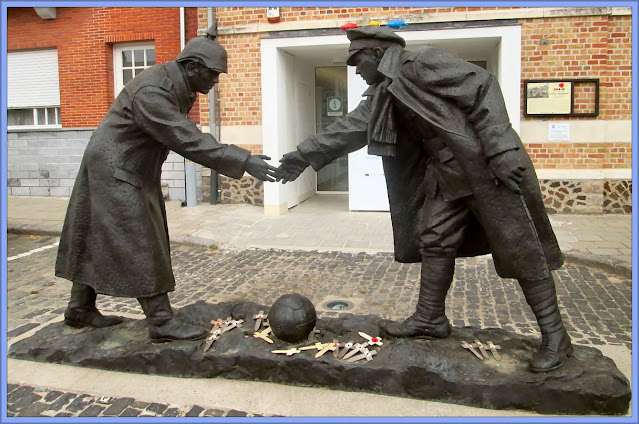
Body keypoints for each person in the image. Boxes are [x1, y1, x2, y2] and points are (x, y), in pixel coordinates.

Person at [277, 25, 572, 372]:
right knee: (434, 237)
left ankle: (556, 337)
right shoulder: (384, 91)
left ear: (376, 53)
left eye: (358, 60)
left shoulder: (421, 63)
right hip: (447, 176)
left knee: (520, 247)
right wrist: (302, 156)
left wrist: (502, 147)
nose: (356, 70)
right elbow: (352, 127)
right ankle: (430, 318)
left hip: (486, 169)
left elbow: (483, 86)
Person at [55, 26, 279, 342]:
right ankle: (160, 321)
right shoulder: (153, 92)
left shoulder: (176, 85)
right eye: (213, 74)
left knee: (97, 234)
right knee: (140, 238)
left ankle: (79, 307)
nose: (216, 82)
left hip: (131, 169)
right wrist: (243, 160)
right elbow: (185, 137)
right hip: (116, 170)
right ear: (192, 67)